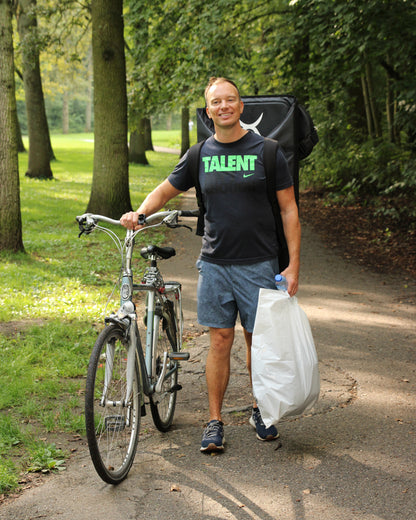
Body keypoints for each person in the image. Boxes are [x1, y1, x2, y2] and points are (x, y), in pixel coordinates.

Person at [120, 77, 301, 453]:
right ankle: (214, 420)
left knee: (258, 343)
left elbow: (289, 210)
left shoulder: (268, 151)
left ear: (241, 106)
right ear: (208, 111)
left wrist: (293, 266)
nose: (223, 106)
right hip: (216, 264)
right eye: (216, 102)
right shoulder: (199, 153)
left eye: (230, 100)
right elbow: (165, 189)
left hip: (260, 264)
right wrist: (140, 212)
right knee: (219, 341)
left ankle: (261, 411)